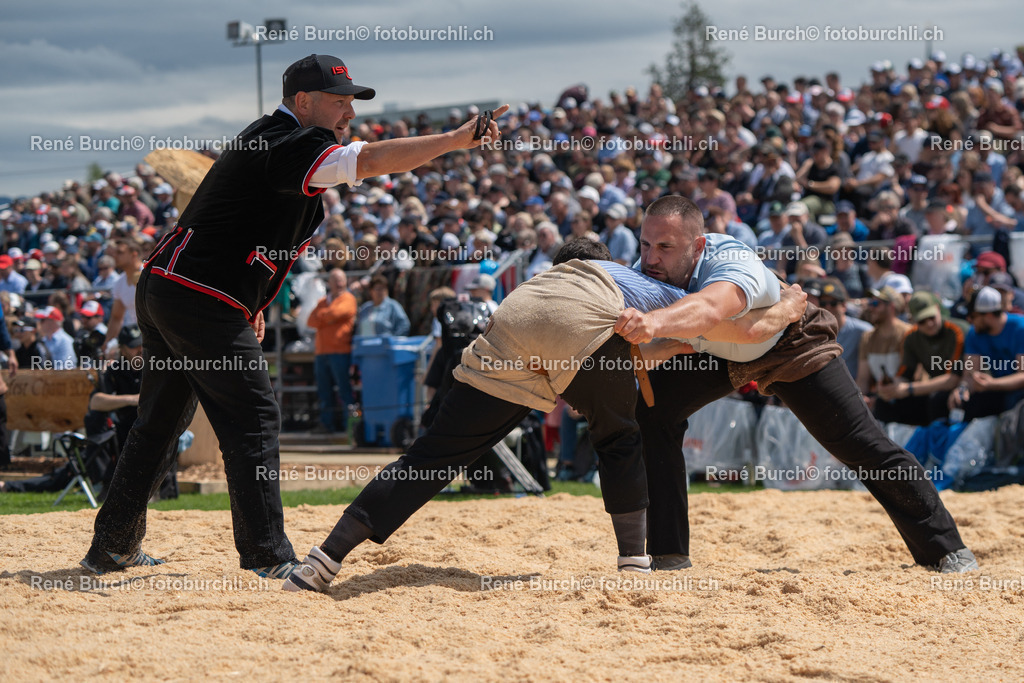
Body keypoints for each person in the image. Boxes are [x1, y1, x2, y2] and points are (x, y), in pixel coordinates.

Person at [83, 53, 511, 578]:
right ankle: (266, 556)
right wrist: (450, 140)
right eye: (339, 101)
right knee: (254, 418)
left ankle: (113, 545)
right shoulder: (294, 140)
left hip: (171, 286)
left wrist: (256, 305)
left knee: (160, 422)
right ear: (302, 101)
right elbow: (370, 161)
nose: (348, 112)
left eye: (351, 102)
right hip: (200, 293)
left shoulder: (272, 138)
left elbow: (254, 230)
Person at [281, 238, 807, 592]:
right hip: (587, 333)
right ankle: (633, 563)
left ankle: (322, 561)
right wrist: (784, 309)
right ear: (604, 259)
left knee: (431, 457)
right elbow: (725, 327)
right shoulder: (622, 277)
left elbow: (610, 347)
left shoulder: (538, 280)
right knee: (619, 441)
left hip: (511, 327)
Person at [615, 195, 977, 574]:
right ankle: (668, 553)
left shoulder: (731, 261)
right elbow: (650, 349)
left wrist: (654, 326)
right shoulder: (644, 272)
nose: (651, 258)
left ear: (698, 245)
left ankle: (945, 549)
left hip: (789, 341)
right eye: (645, 244)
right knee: (653, 413)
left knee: (860, 443)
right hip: (716, 349)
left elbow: (734, 323)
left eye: (665, 247)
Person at [949, 286, 1024, 420]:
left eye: (972, 316)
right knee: (961, 403)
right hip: (997, 388)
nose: (969, 320)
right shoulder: (975, 333)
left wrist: (992, 384)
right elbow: (969, 373)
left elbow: (1022, 375)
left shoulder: (1020, 328)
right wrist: (962, 389)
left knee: (1013, 401)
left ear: (988, 315)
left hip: (1017, 391)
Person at [307, 268, 357, 434]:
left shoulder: (348, 298)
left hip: (340, 351)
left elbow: (338, 312)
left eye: (341, 280)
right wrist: (328, 317)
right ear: (330, 283)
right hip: (322, 353)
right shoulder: (323, 301)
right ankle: (327, 425)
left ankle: (348, 427)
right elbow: (310, 321)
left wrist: (323, 317)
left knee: (344, 390)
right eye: (335, 281)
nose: (339, 284)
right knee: (324, 391)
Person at [856, 286, 913, 420]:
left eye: (876, 303)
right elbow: (863, 378)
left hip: (905, 400)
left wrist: (881, 396)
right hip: (880, 400)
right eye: (870, 303)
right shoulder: (867, 337)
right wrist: (861, 400)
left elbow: (909, 375)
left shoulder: (908, 333)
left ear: (891, 307)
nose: (871, 308)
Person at [820, 278, 871, 378]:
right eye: (823, 304)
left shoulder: (862, 330)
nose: (828, 307)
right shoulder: (816, 331)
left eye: (833, 303)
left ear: (844, 305)